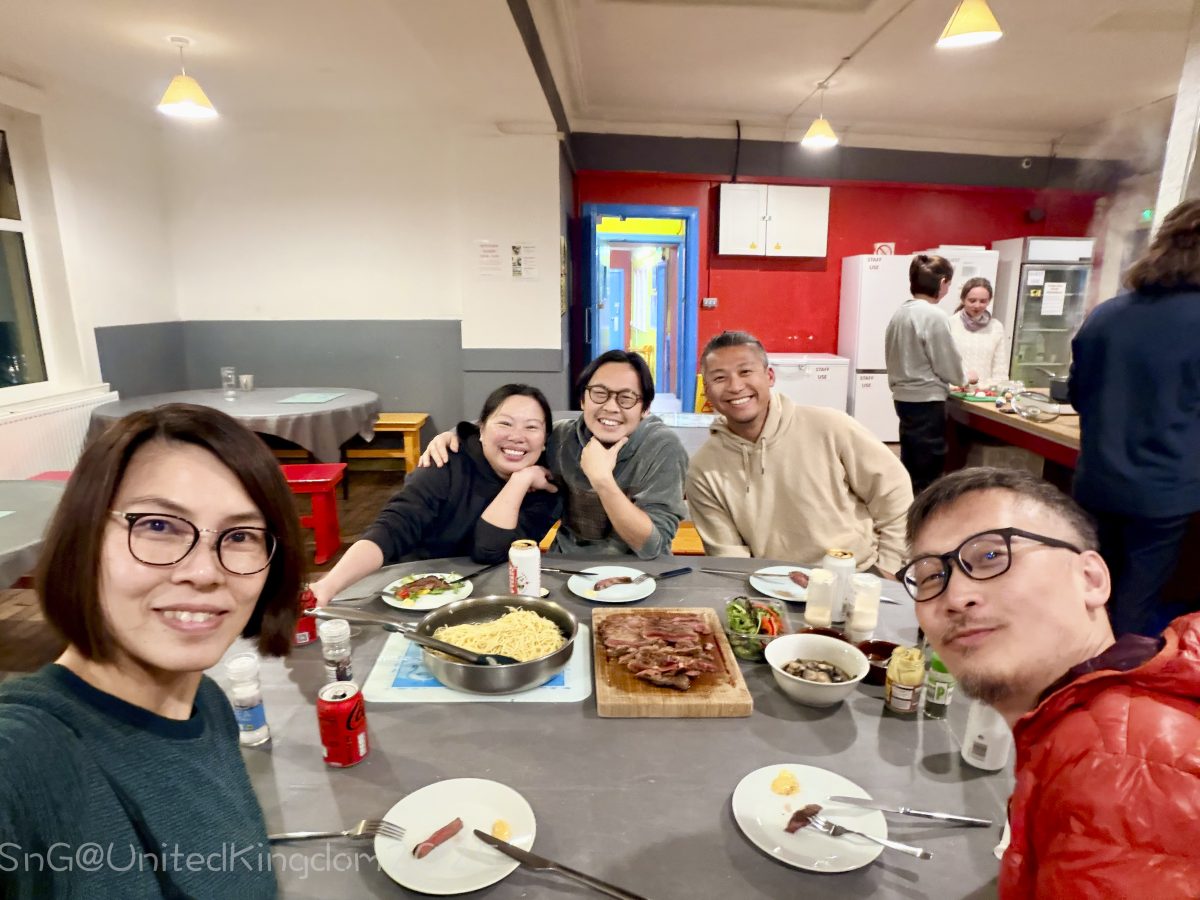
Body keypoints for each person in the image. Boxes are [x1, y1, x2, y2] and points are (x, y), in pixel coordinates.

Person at [0, 403, 305, 898]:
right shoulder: (26, 756)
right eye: (159, 526)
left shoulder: (207, 704)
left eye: (240, 535)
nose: (204, 572)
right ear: (84, 536)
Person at [900, 467, 1200, 898]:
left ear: (1091, 579)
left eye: (991, 556)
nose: (956, 597)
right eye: (932, 576)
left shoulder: (1116, 767)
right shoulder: (1095, 723)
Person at [1069, 198, 1200, 637]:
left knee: (1088, 589)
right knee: (1134, 605)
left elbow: (1077, 395)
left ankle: (1069, 670)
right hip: (1164, 494)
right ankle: (1116, 674)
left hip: (1096, 482)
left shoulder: (1106, 315)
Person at [420, 350, 688, 558]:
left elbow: (652, 547)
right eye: (599, 393)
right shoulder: (561, 438)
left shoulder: (662, 448)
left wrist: (602, 480)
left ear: (645, 408)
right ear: (582, 399)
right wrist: (454, 435)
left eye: (626, 398)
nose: (610, 407)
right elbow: (508, 433)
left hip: (641, 575)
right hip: (565, 568)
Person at [309, 384, 561, 605]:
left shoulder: (545, 490)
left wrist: (519, 482)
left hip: (492, 597)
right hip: (414, 593)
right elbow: (392, 528)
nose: (517, 436)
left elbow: (489, 550)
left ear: (545, 441)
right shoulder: (445, 461)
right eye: (505, 423)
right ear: (481, 429)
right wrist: (328, 586)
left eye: (531, 427)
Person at [686, 331, 912, 573]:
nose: (735, 386)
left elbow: (893, 492)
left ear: (769, 376)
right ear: (706, 390)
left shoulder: (830, 426)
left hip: (858, 573)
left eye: (745, 372)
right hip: (771, 585)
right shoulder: (704, 468)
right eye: (720, 378)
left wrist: (889, 567)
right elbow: (729, 557)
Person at [884, 253, 965, 494]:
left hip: (903, 398)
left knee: (911, 465)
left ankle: (907, 512)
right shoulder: (933, 315)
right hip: (926, 401)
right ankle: (924, 515)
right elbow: (946, 361)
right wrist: (963, 377)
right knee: (928, 472)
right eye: (949, 284)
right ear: (942, 283)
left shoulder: (900, 313)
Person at [947, 276, 1008, 386]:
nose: (977, 305)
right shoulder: (950, 324)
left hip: (985, 393)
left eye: (983, 301)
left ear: (989, 301)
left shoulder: (996, 327)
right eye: (972, 301)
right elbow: (942, 364)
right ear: (963, 299)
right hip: (954, 391)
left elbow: (1000, 369)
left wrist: (989, 387)